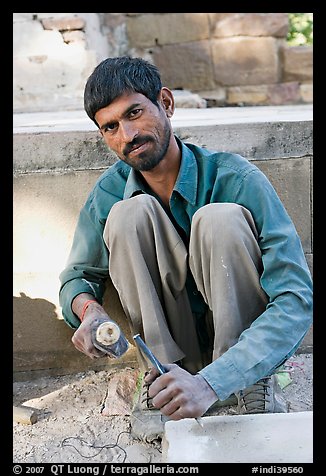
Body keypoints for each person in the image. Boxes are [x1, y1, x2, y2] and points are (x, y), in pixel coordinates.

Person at [59, 56, 313, 440]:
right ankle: (162, 380)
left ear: (166, 103)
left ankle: (246, 384)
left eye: (135, 113)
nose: (126, 135)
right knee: (129, 215)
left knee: (220, 218)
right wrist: (89, 312)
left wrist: (216, 381)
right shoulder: (110, 192)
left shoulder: (236, 178)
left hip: (242, 358)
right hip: (171, 359)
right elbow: (77, 277)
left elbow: (296, 297)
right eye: (110, 127)